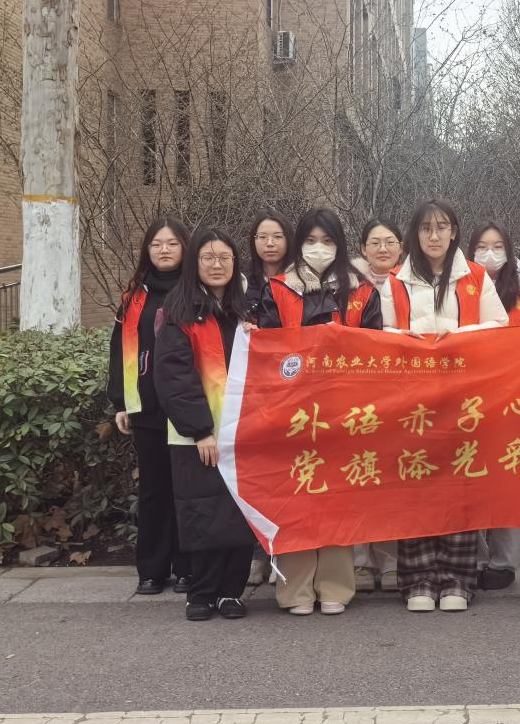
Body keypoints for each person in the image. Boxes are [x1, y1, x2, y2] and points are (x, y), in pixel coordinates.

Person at [383, 200, 510, 612]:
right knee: (416, 482)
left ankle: (458, 577)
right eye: (425, 228)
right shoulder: (396, 280)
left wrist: (460, 335)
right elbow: (380, 336)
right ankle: (418, 579)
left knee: (460, 483)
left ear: (454, 231)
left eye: (442, 227)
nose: (434, 236)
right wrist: (407, 337)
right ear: (415, 234)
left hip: (463, 396)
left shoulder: (475, 277)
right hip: (412, 399)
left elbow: (500, 328)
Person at [258, 208, 382, 615]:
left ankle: (335, 587)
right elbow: (267, 351)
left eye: (327, 241)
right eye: (311, 241)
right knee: (295, 496)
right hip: (292, 411)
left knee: (337, 499)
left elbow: (375, 351)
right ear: (299, 245)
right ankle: (295, 590)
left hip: (345, 411)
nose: (319, 248)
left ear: (340, 246)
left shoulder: (361, 292)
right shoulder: (278, 288)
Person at [154, 227, 255, 621]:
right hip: (196, 436)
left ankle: (231, 592)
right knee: (202, 513)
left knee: (238, 513)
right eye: (208, 258)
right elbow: (173, 376)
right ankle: (201, 592)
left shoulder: (245, 309)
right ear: (194, 263)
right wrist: (200, 430)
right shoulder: (180, 312)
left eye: (224, 258)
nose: (217, 265)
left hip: (242, 433)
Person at [108, 218, 192, 597]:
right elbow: (120, 348)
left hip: (189, 404)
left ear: (184, 248)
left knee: (187, 488)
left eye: (172, 243)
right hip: (146, 404)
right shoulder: (134, 295)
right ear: (147, 250)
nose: (164, 250)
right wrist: (122, 401)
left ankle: (188, 567)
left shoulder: (197, 291)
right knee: (154, 490)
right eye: (156, 244)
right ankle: (153, 569)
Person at [468, 222, 520, 590]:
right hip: (471, 402)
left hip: (515, 401)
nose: (489, 253)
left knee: (511, 478)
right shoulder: (459, 288)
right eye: (481, 246)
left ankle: (505, 562)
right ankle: (474, 556)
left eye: (497, 246)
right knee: (472, 476)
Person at [350, 219, 405, 593]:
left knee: (389, 480)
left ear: (401, 247)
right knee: (358, 476)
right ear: (363, 249)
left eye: (389, 242)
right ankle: (359, 561)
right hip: (356, 397)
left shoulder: (412, 283)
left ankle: (390, 561)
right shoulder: (347, 285)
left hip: (399, 396)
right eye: (374, 242)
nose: (382, 249)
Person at [242, 210, 294, 587]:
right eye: (262, 237)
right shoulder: (241, 282)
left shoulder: (300, 281)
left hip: (290, 392)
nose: (270, 244)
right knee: (257, 477)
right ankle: (257, 555)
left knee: (286, 476)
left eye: (277, 236)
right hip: (251, 393)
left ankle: (284, 554)